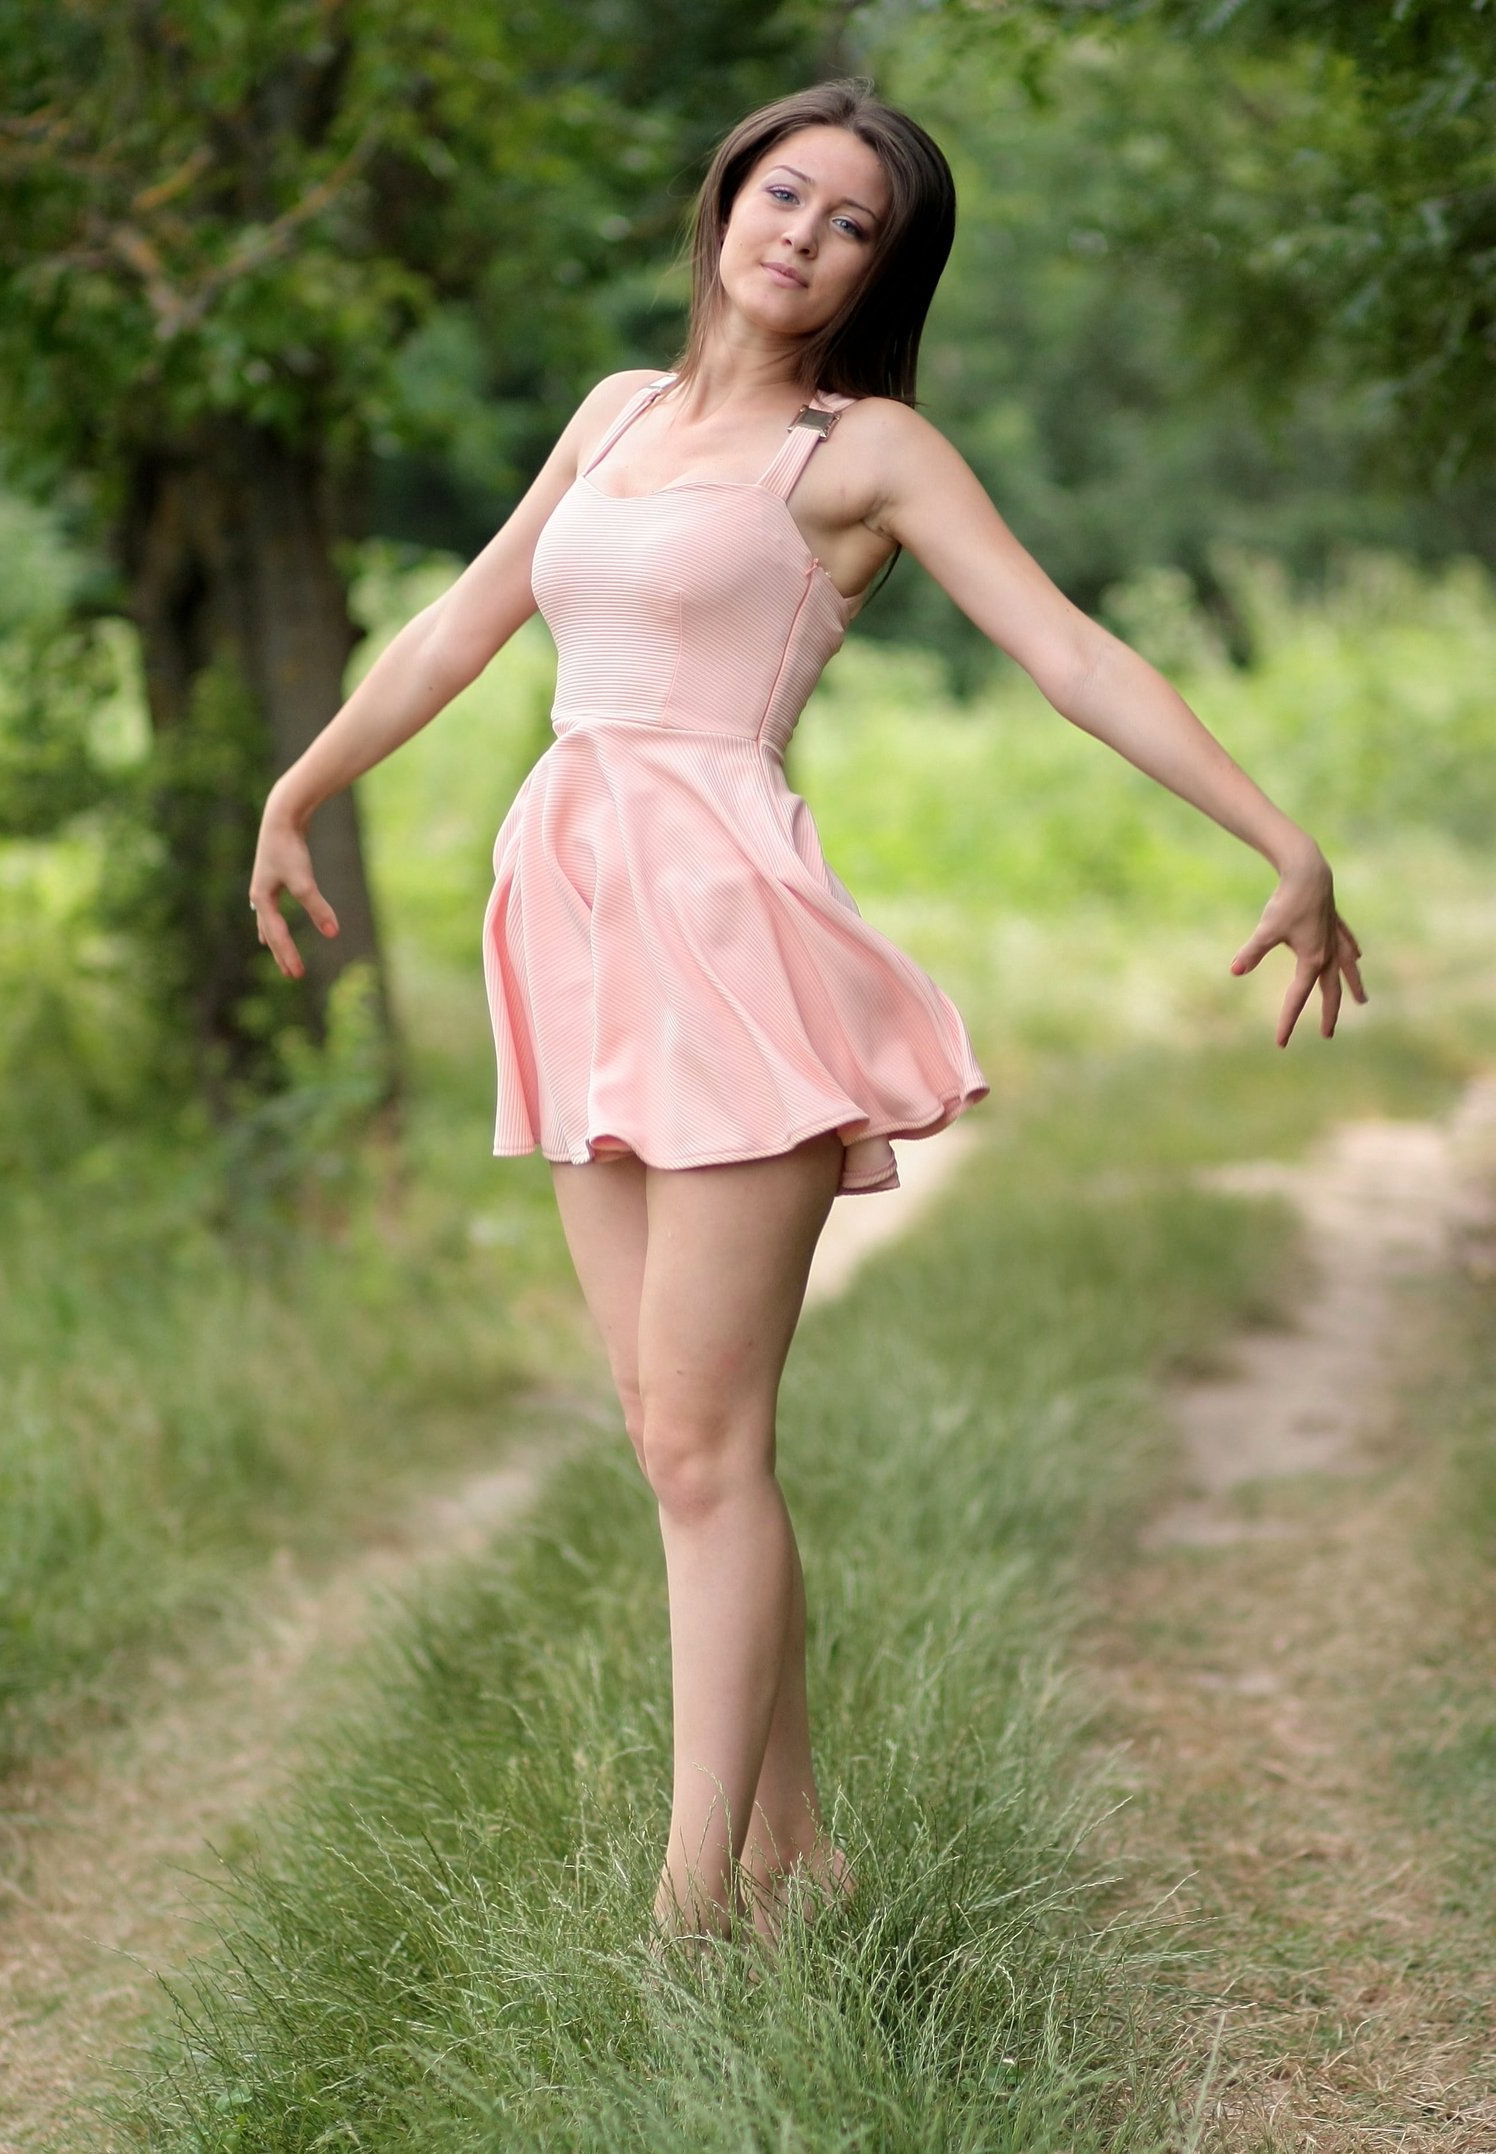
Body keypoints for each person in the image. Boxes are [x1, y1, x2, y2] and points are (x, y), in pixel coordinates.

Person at [248, 76, 1366, 1967]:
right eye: (788, 193)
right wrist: (297, 784)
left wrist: (1283, 833)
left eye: (854, 224)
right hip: (578, 921)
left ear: (878, 271)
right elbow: (459, 626)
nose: (807, 235)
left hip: (728, 936)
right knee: (662, 1429)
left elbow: (1073, 651)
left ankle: (692, 1917)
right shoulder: (612, 416)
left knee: (708, 1438)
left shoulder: (871, 454)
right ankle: (800, 1862)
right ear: (726, 200)